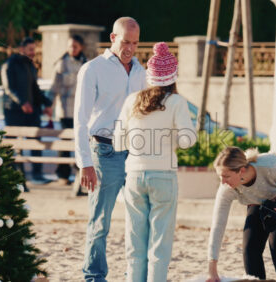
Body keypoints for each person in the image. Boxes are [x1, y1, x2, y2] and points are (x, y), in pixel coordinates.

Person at [114, 42, 197, 282]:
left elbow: (118, 141)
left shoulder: (132, 100)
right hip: (163, 175)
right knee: (159, 244)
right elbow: (187, 140)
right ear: (173, 77)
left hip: (134, 175)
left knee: (135, 242)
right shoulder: (176, 102)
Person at [73, 17, 147, 281]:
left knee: (139, 218)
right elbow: (80, 120)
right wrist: (85, 163)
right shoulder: (93, 69)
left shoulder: (141, 72)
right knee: (101, 220)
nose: (130, 48)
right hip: (104, 153)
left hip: (136, 154)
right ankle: (94, 276)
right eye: (126, 41)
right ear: (114, 38)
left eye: (135, 43)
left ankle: (135, 274)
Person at [206, 147, 276, 282]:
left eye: (226, 176)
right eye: (220, 176)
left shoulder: (271, 166)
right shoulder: (227, 188)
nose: (223, 182)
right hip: (261, 200)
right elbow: (218, 224)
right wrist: (212, 268)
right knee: (250, 248)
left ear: (242, 171)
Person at [1, 37, 53, 186]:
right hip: (13, 111)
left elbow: (35, 88)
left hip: (32, 112)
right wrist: (22, 102)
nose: (32, 53)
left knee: (36, 141)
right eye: (30, 50)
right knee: (15, 146)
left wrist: (47, 104)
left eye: (34, 50)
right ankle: (18, 178)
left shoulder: (30, 66)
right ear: (21, 49)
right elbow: (8, 88)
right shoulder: (9, 64)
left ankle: (37, 175)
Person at [49, 34, 87, 186]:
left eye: (75, 46)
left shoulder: (86, 63)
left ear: (81, 47)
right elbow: (53, 87)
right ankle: (62, 174)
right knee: (64, 143)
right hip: (65, 111)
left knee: (81, 143)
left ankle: (80, 172)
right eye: (70, 46)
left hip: (81, 111)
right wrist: (48, 106)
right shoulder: (61, 64)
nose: (73, 49)